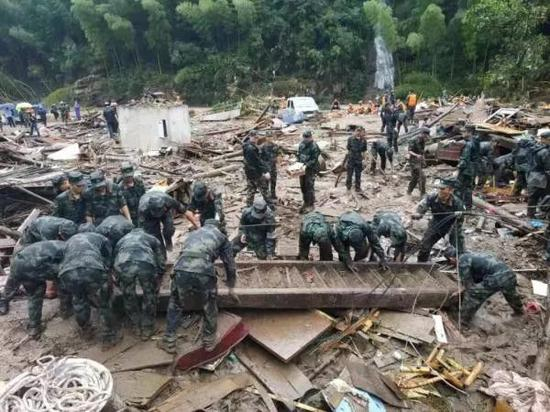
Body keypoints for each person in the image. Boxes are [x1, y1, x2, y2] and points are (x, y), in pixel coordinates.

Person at [159, 219, 236, 353]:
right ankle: (209, 341)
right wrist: (231, 286)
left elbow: (182, 254)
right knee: (209, 305)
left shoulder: (193, 234)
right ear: (218, 227)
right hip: (204, 270)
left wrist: (175, 275)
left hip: (182, 268)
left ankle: (169, 340)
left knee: (175, 303)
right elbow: (229, 264)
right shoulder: (221, 237)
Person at [58, 231, 118, 347]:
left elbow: (62, 258)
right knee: (103, 303)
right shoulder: (101, 238)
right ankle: (109, 336)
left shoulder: (69, 241)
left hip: (68, 273)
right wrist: (108, 273)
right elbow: (108, 258)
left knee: (79, 300)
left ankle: (86, 330)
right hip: (92, 268)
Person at [0, 241, 68, 338]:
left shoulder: (61, 245)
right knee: (54, 287)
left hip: (18, 262)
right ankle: (66, 311)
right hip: (34, 265)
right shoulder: (69, 252)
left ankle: (34, 327)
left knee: (31, 294)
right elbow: (61, 275)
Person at [446, 249, 523, 327]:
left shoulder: (462, 260)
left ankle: (463, 320)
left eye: (450, 262)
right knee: (511, 295)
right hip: (510, 274)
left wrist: (460, 292)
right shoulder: (472, 255)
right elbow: (477, 279)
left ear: (452, 258)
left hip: (496, 278)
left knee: (473, 293)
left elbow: (468, 284)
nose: (452, 265)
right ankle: (520, 311)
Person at [114, 228, 165, 339]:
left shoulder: (121, 240)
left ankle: (136, 326)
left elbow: (115, 257)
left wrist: (118, 279)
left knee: (129, 296)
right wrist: (159, 277)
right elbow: (161, 260)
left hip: (124, 264)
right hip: (145, 263)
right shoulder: (151, 238)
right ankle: (147, 328)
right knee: (149, 295)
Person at [412, 178, 465, 262]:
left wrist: (458, 217)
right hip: (436, 223)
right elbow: (423, 206)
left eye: (443, 189)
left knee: (459, 248)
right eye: (439, 188)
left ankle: (460, 262)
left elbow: (460, 222)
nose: (440, 190)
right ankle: (421, 264)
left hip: (452, 226)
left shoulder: (458, 203)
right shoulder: (432, 197)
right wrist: (418, 214)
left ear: (450, 190)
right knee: (425, 245)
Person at [242, 132, 273, 208]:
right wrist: (265, 171)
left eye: (256, 138)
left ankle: (248, 207)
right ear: (250, 137)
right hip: (256, 173)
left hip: (249, 173)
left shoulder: (247, 145)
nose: (255, 139)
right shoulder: (251, 148)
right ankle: (270, 206)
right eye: (254, 137)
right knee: (264, 189)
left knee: (251, 190)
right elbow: (257, 162)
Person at [526, 132, 550, 218]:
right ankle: (542, 215)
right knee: (545, 197)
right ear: (547, 139)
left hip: (532, 176)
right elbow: (548, 166)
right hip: (541, 178)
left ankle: (530, 215)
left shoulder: (535, 148)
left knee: (532, 198)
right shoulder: (545, 151)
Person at [457, 125, 481, 209]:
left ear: (469, 132)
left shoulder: (469, 144)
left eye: (464, 131)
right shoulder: (476, 141)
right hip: (473, 168)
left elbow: (465, 158)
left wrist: (459, 167)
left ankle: (462, 206)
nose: (462, 133)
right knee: (468, 188)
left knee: (460, 187)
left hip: (466, 169)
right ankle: (468, 206)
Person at [297, 130, 321, 213]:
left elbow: (314, 159)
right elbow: (299, 155)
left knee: (309, 186)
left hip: (311, 169)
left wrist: (306, 165)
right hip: (301, 169)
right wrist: (297, 164)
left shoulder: (314, 146)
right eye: (305, 138)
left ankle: (311, 204)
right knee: (303, 186)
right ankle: (305, 202)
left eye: (308, 138)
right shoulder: (302, 144)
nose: (306, 139)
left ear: (311, 137)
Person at [407, 127, 428, 196]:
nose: (426, 137)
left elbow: (422, 152)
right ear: (422, 133)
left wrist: (423, 160)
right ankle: (423, 193)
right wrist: (416, 155)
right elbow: (409, 151)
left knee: (415, 178)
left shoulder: (423, 141)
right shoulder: (413, 140)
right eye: (425, 135)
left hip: (419, 161)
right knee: (422, 177)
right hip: (413, 161)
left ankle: (409, 191)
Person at [346, 127, 367, 192]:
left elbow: (364, 150)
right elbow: (348, 148)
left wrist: (364, 160)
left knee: (358, 174)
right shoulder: (350, 139)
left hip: (359, 159)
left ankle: (357, 187)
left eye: (359, 131)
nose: (358, 133)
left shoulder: (363, 140)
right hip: (351, 159)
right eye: (356, 131)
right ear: (355, 132)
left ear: (361, 133)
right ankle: (348, 186)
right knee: (349, 173)